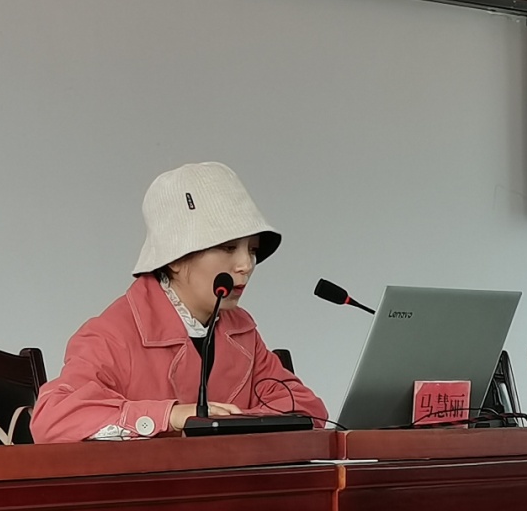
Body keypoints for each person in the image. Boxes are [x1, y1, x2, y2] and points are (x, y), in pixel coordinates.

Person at [31, 162, 328, 442]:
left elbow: (307, 408)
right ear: (174, 259)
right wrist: (169, 417)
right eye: (228, 248)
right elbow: (53, 419)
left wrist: (227, 425)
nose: (246, 265)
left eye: (251, 249)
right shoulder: (112, 334)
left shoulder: (241, 329)